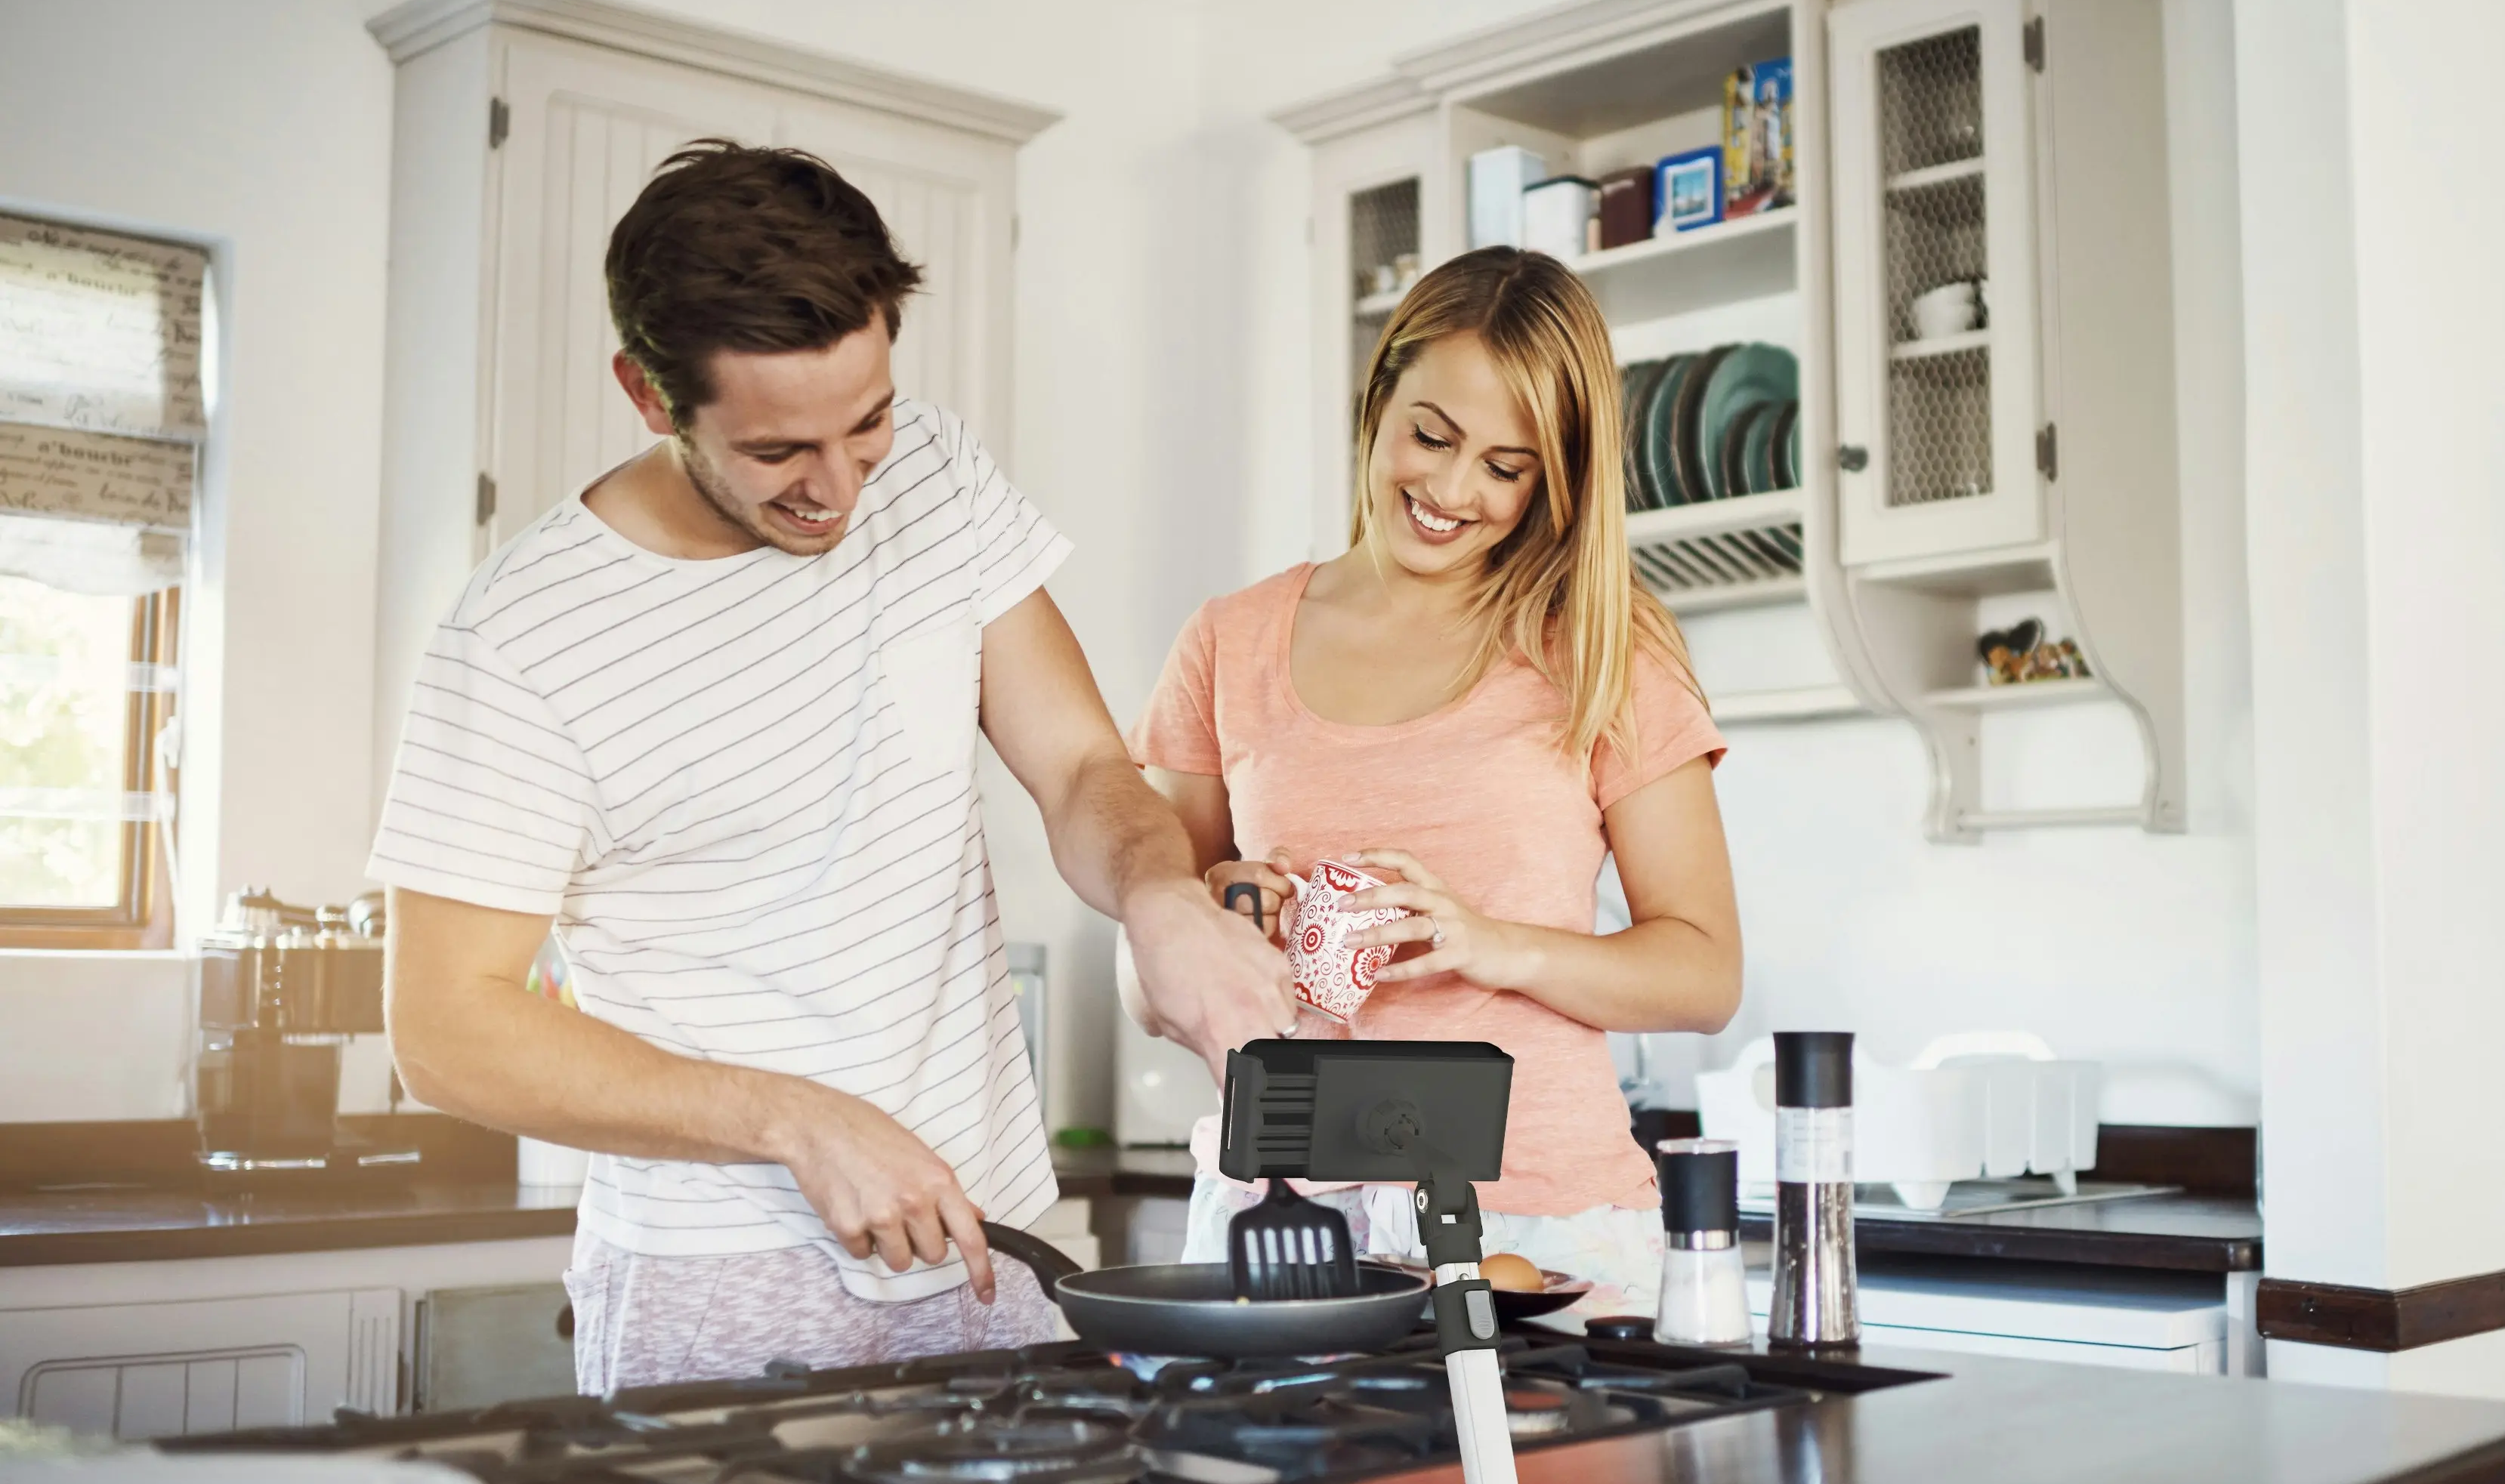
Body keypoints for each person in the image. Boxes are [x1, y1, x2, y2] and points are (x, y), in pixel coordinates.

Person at [372, 142, 1294, 1393]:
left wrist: (1161, 896)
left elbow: (1081, 763)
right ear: (649, 396)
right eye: (777, 452)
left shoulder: (936, 475)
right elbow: (444, 1027)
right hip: (725, 1281)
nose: (841, 485)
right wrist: (794, 1120)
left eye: (867, 422)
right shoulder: (523, 638)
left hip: (996, 1245)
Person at [1123, 247, 1741, 1314]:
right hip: (1287, 1221)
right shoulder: (1229, 641)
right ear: (1379, 401)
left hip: (1539, 1224)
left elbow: (1704, 972)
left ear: (1557, 477)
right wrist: (1223, 909)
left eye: (1507, 467)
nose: (1454, 491)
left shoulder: (1600, 645)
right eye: (1433, 436)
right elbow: (1145, 986)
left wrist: (1489, 941)